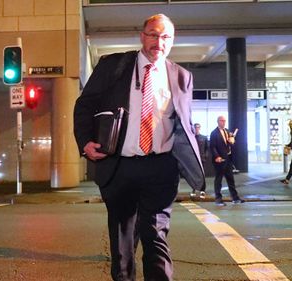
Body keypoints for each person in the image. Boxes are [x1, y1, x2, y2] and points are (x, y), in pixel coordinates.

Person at [74, 14, 204, 281]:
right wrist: (85, 141)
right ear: (142, 36)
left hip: (161, 166)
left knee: (156, 235)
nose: (159, 41)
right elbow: (85, 105)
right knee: (123, 241)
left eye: (166, 36)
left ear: (172, 41)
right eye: (154, 34)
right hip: (120, 165)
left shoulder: (182, 77)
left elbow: (184, 125)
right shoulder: (114, 65)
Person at [209, 115, 244, 206]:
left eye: (224, 121)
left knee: (230, 179)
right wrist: (217, 156)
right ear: (218, 122)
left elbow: (231, 142)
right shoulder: (214, 133)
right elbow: (212, 147)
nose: (223, 122)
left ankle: (235, 198)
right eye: (221, 121)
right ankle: (218, 199)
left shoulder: (227, 131)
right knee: (218, 180)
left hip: (228, 159)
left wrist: (232, 141)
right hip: (220, 160)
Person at [189, 123, 208, 199]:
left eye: (198, 127)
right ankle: (193, 189)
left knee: (202, 175)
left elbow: (206, 148)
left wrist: (205, 156)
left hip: (202, 158)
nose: (196, 129)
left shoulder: (203, 138)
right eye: (195, 127)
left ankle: (202, 190)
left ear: (200, 128)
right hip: (193, 159)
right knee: (193, 175)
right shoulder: (191, 138)